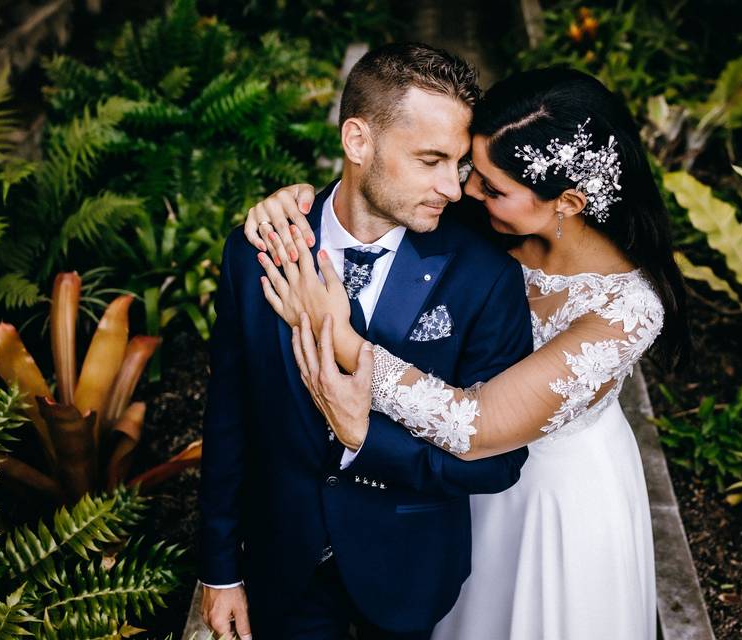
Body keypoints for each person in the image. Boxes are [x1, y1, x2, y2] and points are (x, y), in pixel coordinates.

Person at [249, 67, 691, 640]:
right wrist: (300, 204)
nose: (464, 193)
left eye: (491, 186)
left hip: (550, 506)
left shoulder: (626, 310)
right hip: (444, 487)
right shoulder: (483, 223)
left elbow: (477, 424)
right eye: (468, 170)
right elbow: (380, 194)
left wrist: (347, 344)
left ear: (569, 201)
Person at [199, 42, 536, 640]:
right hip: (283, 566)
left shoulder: (485, 276)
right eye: (429, 159)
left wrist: (366, 442)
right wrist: (219, 570)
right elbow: (230, 414)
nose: (452, 189)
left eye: (457, 164)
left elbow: (501, 463)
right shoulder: (257, 251)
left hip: (408, 571)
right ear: (358, 141)